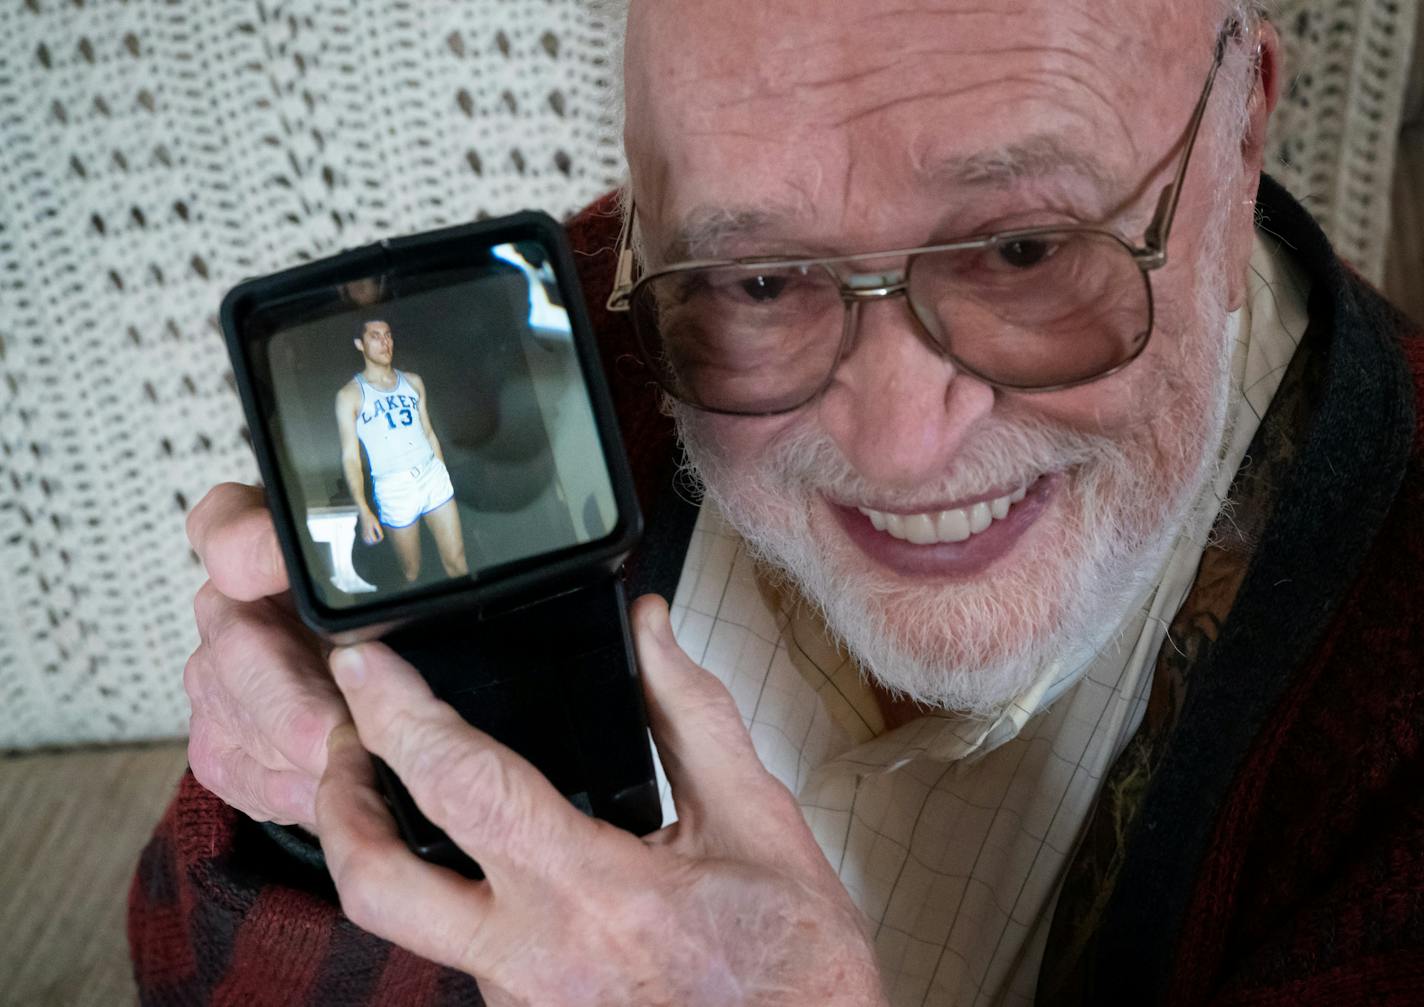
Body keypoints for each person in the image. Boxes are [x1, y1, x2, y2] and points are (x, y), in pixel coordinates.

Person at [129, 0, 1424, 1004]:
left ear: (1243, 130)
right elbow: (189, 952)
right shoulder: (563, 332)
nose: (903, 444)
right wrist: (314, 811)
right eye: (763, 282)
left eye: (1026, 247)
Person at [336, 319, 469, 583]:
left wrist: (442, 473)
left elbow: (428, 432)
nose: (385, 342)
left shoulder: (413, 382)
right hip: (395, 488)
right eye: (375, 336)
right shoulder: (349, 395)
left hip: (431, 474)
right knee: (412, 572)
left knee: (457, 560)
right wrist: (363, 508)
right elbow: (350, 458)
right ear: (360, 344)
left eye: (388, 335)